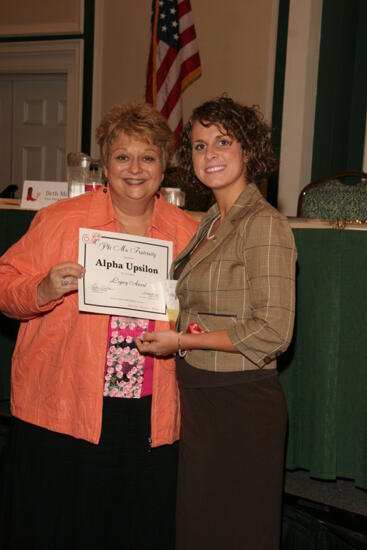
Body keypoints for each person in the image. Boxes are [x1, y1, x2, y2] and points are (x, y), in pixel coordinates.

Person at [0, 101, 198, 550]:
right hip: (65, 407)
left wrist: (184, 326)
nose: (134, 168)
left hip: (150, 412)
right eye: (122, 156)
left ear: (164, 166)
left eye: (147, 157)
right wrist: (42, 290)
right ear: (105, 164)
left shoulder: (186, 232)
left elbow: (204, 314)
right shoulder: (61, 220)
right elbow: (4, 284)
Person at [136, 96, 297, 550]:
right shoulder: (208, 221)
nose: (210, 155)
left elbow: (273, 331)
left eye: (223, 142)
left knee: (236, 532)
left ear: (248, 150)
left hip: (240, 404)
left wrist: (180, 340)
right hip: (203, 398)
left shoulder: (262, 223)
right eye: (200, 145)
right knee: (200, 528)